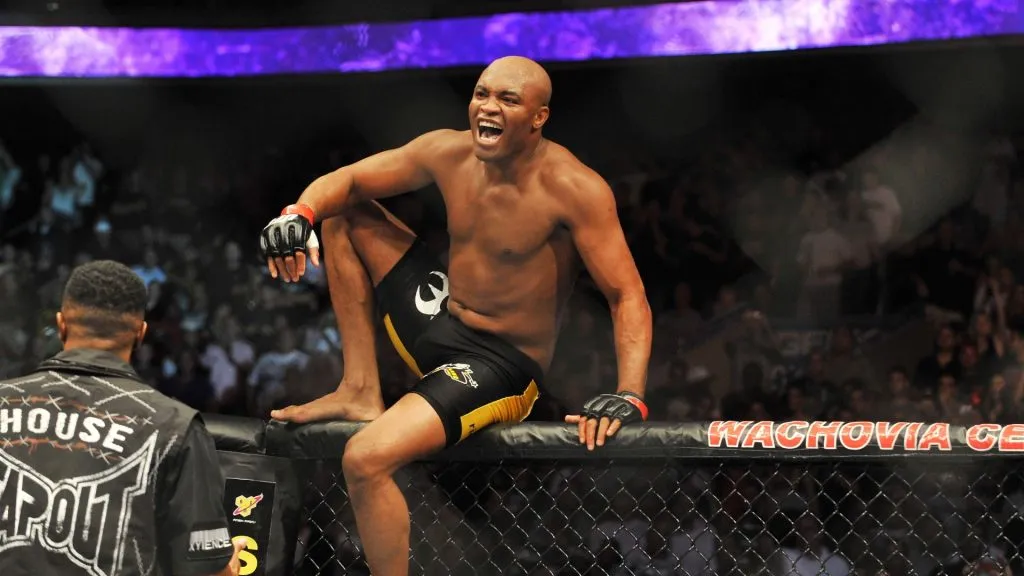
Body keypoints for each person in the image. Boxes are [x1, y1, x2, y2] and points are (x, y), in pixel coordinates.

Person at [259, 56, 652, 575]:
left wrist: (630, 394)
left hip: (500, 364)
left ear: (539, 117)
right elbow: (350, 181)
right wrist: (298, 215)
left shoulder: (574, 188)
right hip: (444, 316)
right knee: (342, 215)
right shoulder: (448, 151)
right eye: (482, 93)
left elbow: (627, 296)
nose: (488, 108)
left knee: (364, 459)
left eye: (508, 100)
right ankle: (359, 388)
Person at [0, 260, 245, 576]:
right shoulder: (174, 426)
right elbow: (207, 572)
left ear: (61, 326)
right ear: (140, 334)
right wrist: (231, 567)